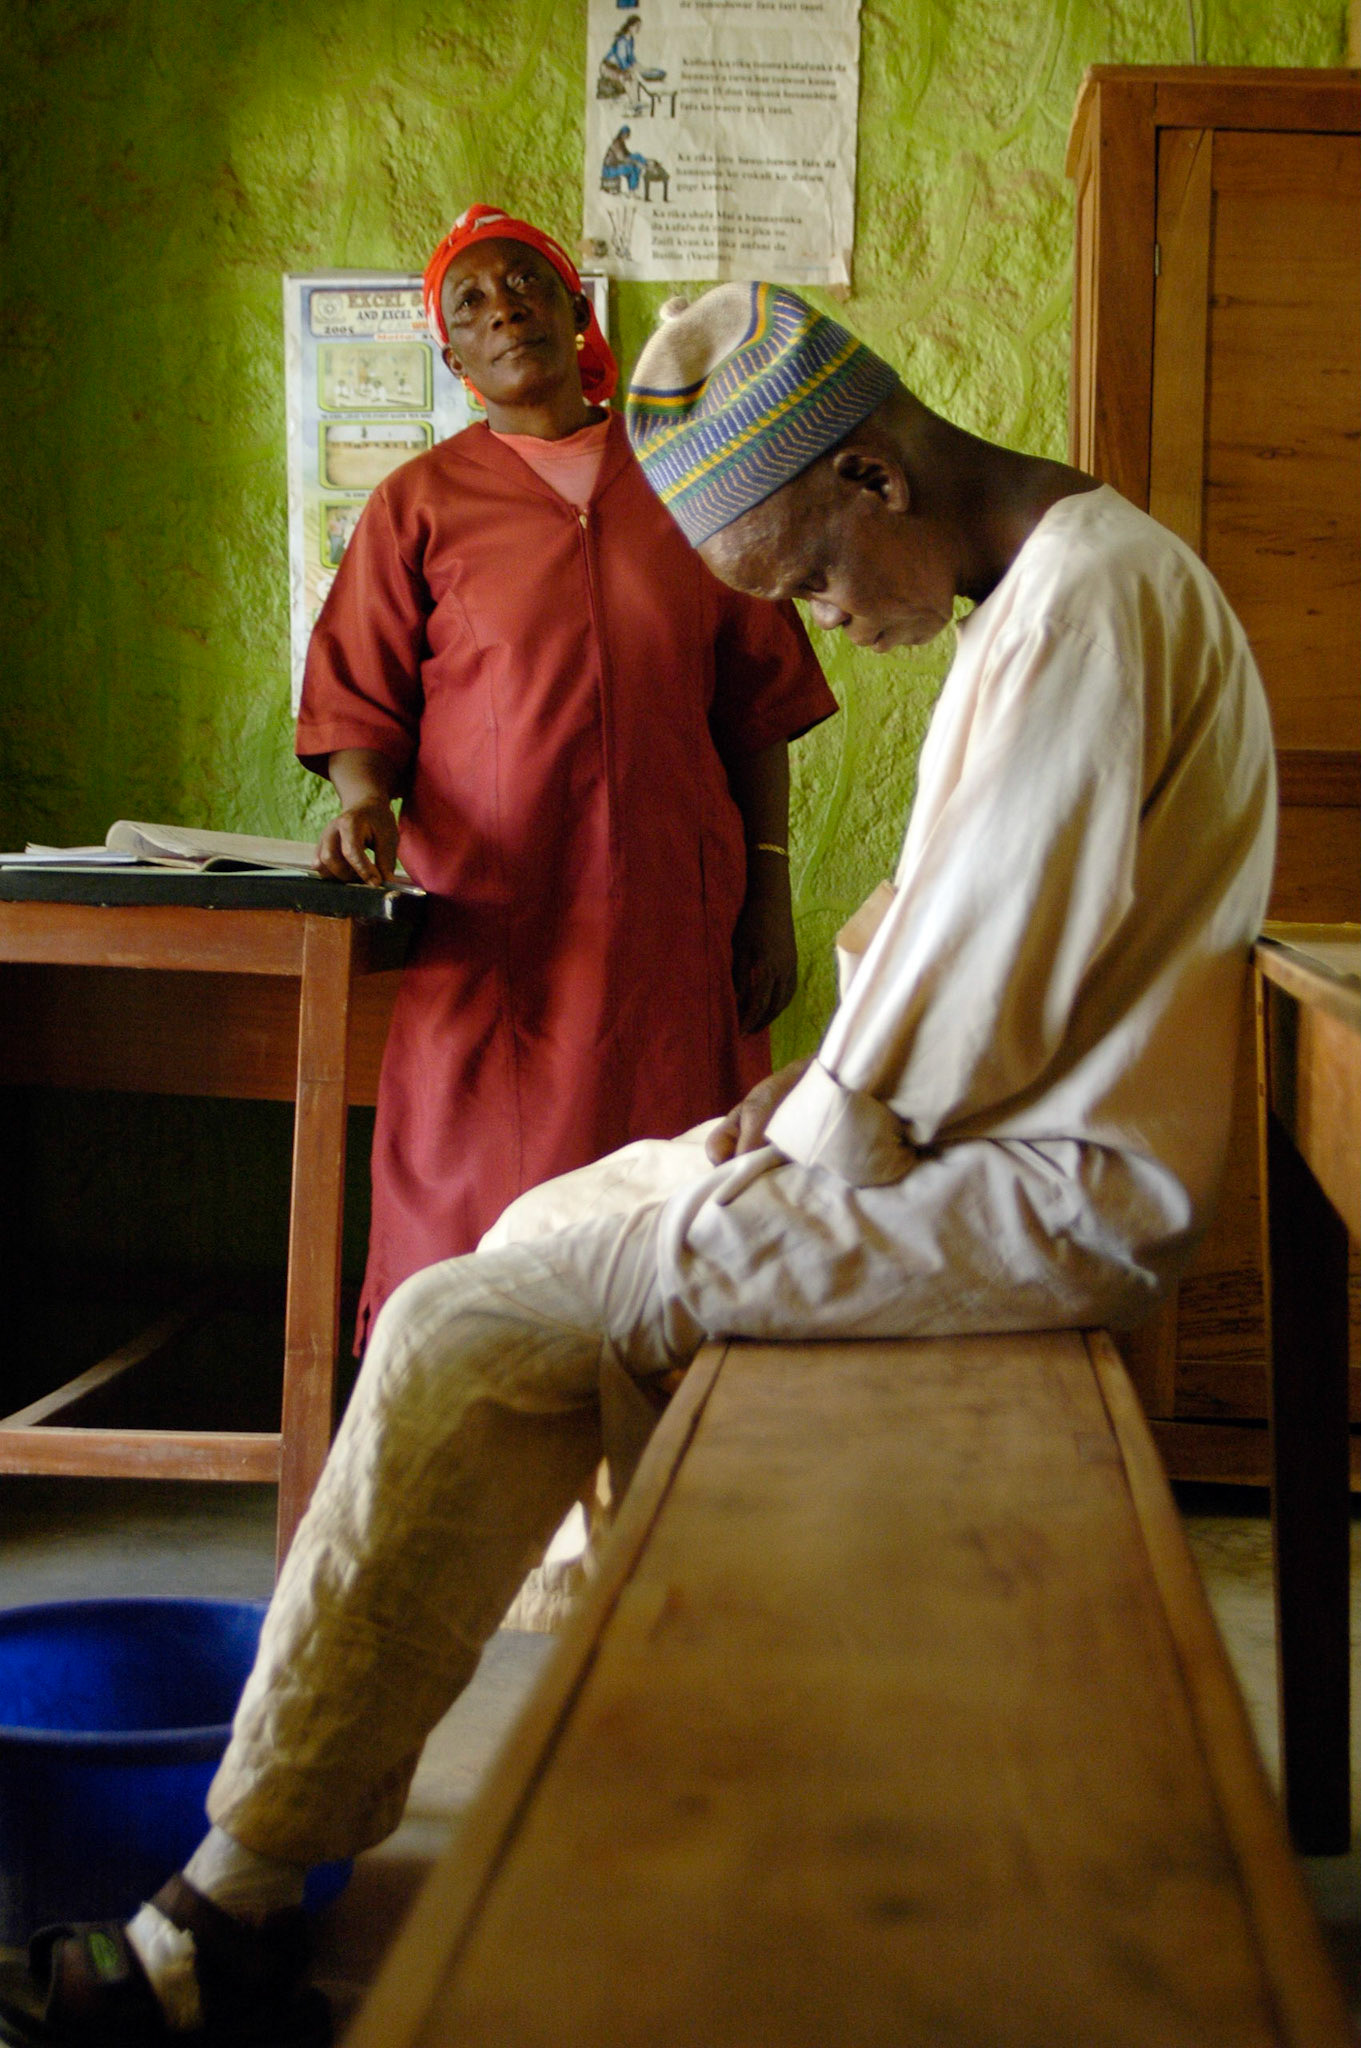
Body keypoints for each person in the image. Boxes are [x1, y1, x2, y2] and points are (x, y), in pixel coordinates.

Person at [22, 282, 1273, 2046]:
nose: (832, 617)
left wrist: (824, 1106)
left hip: (1035, 1191)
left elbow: (979, 983)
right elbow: (949, 943)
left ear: (873, 476)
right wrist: (815, 1095)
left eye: (814, 578)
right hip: (954, 1141)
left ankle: (224, 1898)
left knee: (462, 1321)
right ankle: (390, 1770)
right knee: (533, 1232)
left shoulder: (1088, 602)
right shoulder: (1054, 587)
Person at [297, 210, 835, 1350]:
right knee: (472, 1183)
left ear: (575, 308)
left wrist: (771, 892)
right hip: (499, 923)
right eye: (472, 304)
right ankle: (458, 1418)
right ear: (453, 360)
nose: (503, 310)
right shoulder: (419, 504)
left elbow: (756, 710)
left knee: (673, 1178)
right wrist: (360, 799)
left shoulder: (691, 481)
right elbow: (359, 695)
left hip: (670, 918)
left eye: (524, 285)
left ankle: (668, 1458)